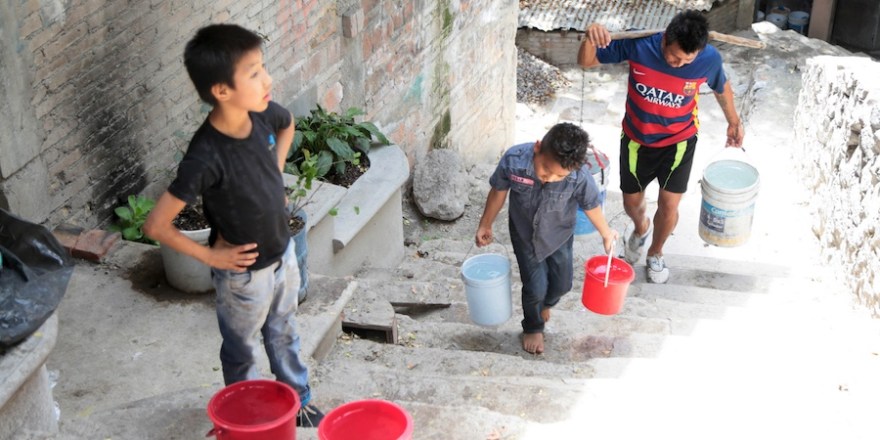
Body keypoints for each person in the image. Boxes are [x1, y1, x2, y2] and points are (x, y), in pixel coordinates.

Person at [143, 24, 324, 427]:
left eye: (263, 67)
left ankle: (299, 400)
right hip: (244, 276)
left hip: (284, 254)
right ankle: (245, 418)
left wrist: (276, 176)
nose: (268, 79)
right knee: (243, 348)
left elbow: (287, 123)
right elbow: (156, 225)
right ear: (221, 90)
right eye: (254, 72)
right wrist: (210, 255)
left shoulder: (261, 114)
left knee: (285, 332)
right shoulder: (205, 156)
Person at [577, 10, 745, 283]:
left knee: (669, 204)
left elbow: (720, 86)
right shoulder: (639, 44)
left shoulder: (709, 59)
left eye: (685, 61)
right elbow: (585, 62)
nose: (677, 64)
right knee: (632, 202)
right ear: (665, 38)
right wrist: (589, 37)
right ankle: (641, 227)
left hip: (679, 141)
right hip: (635, 140)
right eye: (673, 56)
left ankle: (655, 252)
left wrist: (734, 122)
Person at [475, 123, 618, 355]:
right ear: (538, 148)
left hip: (559, 235)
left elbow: (591, 205)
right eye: (545, 170)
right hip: (525, 236)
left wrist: (605, 232)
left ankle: (547, 304)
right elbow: (498, 191)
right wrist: (485, 223)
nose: (550, 178)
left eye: (559, 176)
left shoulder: (579, 177)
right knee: (534, 288)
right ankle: (533, 326)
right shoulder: (514, 161)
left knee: (563, 284)